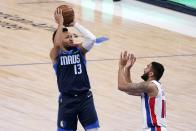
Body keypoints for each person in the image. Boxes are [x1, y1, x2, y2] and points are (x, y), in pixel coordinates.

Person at [50, 8, 99, 131]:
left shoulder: (80, 51)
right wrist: (60, 23)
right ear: (59, 39)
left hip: (85, 98)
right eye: (67, 37)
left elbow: (92, 39)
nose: (71, 38)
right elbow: (57, 44)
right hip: (67, 101)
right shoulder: (56, 55)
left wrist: (74, 24)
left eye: (72, 36)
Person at [118, 51, 167, 131]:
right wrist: (127, 68)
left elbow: (121, 86)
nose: (144, 69)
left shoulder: (150, 86)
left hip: (154, 129)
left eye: (147, 67)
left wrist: (121, 66)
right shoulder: (153, 87)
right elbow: (129, 90)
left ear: (151, 74)